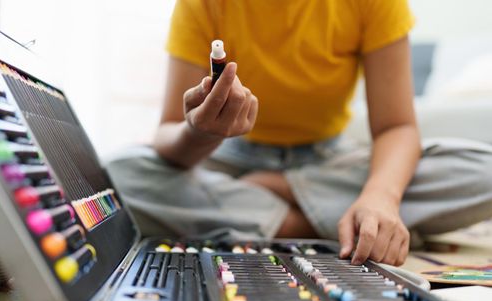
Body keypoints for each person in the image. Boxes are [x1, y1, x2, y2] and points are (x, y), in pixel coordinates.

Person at [106, 0, 492, 266]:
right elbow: (170, 140)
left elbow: (397, 127)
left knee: (482, 169)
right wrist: (202, 132)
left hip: (330, 160)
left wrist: (380, 197)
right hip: (228, 160)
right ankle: (308, 222)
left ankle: (280, 193)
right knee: (116, 175)